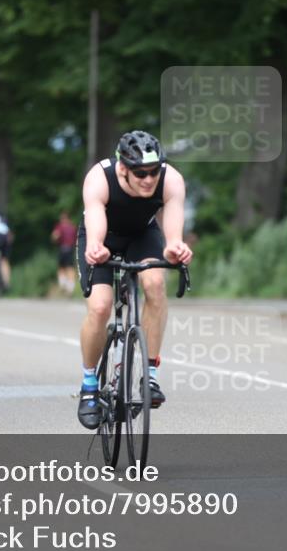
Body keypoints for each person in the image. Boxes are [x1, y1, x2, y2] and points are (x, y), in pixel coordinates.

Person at [77, 130, 193, 430]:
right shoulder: (100, 178)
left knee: (155, 285)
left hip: (142, 236)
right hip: (103, 238)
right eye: (140, 173)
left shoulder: (172, 180)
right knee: (100, 307)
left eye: (154, 171)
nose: (148, 179)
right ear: (122, 168)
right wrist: (96, 245)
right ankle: (89, 383)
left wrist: (174, 246)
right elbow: (95, 216)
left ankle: (150, 377)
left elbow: (172, 224)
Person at [51, 210, 78, 294]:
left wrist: (54, 239)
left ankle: (63, 284)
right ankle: (70, 286)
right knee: (70, 267)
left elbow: (55, 236)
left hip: (63, 249)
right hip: (70, 249)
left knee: (61, 267)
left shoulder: (60, 226)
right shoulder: (73, 227)